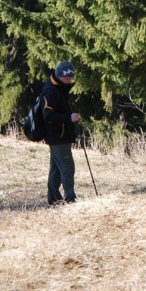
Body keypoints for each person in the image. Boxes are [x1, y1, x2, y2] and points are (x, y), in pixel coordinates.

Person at [43, 60, 80, 205]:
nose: (69, 81)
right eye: (67, 78)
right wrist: (69, 118)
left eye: (70, 78)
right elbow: (48, 115)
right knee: (67, 167)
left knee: (57, 169)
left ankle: (53, 199)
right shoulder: (51, 91)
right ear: (59, 76)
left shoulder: (60, 89)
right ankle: (70, 198)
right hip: (57, 136)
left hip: (60, 136)